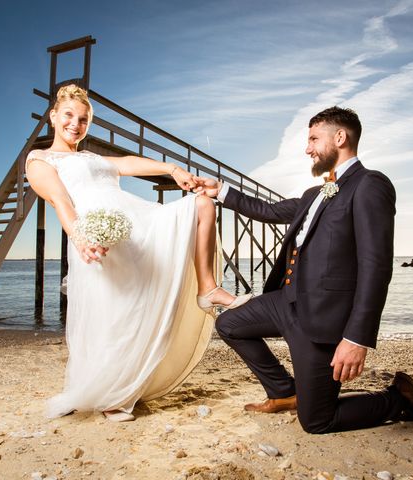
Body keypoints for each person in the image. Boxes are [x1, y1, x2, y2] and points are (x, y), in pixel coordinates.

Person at [195, 106, 413, 433]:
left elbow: (375, 266)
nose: (307, 148)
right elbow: (266, 209)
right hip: (285, 303)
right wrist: (218, 191)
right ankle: (283, 391)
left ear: (341, 137)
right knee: (230, 322)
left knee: (317, 421)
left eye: (313, 139)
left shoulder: (369, 185)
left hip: (322, 321)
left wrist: (356, 337)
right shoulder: (313, 194)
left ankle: (399, 400)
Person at [26, 84, 250, 422]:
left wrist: (172, 169)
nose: (76, 124)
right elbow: (61, 201)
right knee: (112, 313)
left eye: (84, 119)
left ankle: (207, 288)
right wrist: (80, 237)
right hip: (97, 237)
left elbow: (129, 163)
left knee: (203, 205)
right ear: (54, 116)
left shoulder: (91, 158)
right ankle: (111, 396)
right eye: (69, 116)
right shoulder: (40, 159)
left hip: (134, 226)